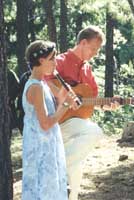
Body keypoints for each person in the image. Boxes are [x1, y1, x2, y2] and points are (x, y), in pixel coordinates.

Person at [47, 25, 119, 200]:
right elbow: (43, 81)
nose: (95, 53)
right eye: (93, 48)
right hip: (54, 120)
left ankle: (70, 193)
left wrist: (106, 105)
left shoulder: (87, 69)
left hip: (73, 122)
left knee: (76, 170)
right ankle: (56, 172)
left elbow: (91, 100)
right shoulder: (60, 61)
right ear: (83, 42)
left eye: (98, 50)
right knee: (94, 131)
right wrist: (64, 97)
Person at [21, 40, 79, 200]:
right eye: (52, 59)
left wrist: (63, 99)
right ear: (41, 60)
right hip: (40, 148)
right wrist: (66, 104)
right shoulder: (36, 87)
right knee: (43, 190)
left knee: (51, 188)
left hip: (47, 144)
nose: (55, 63)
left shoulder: (42, 84)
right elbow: (45, 123)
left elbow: (54, 112)